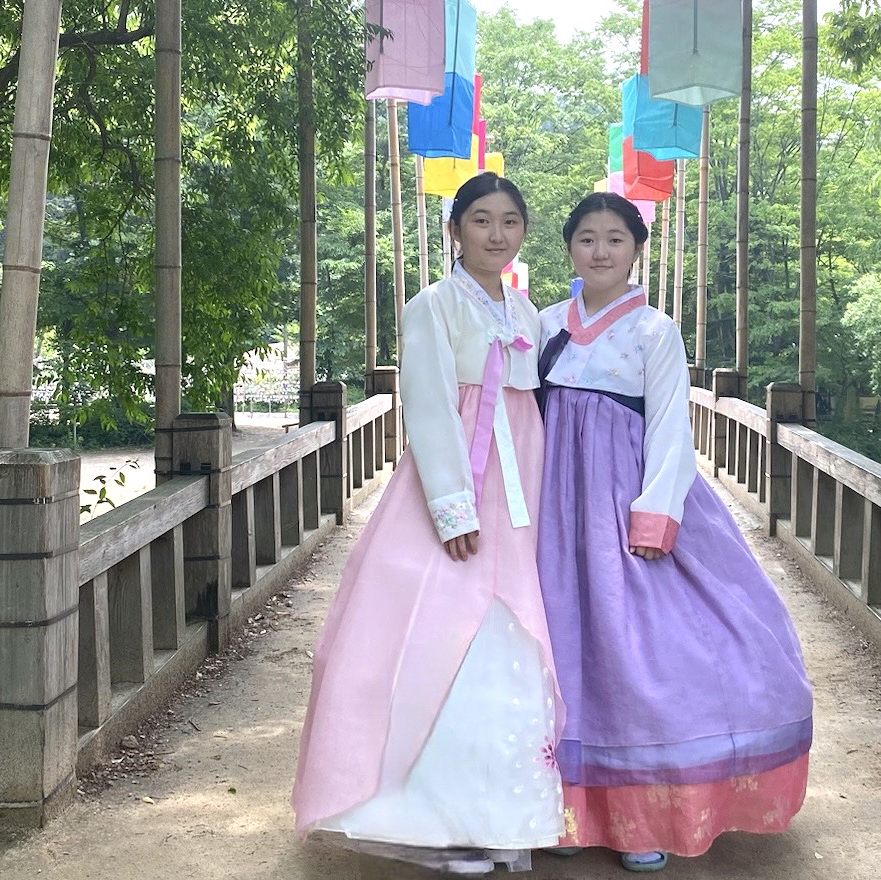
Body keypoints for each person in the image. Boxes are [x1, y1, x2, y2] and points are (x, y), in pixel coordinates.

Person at [292, 172, 565, 875]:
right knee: (445, 629)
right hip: (463, 480)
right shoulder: (433, 306)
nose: (495, 234)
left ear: (522, 233)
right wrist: (451, 506)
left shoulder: (527, 312)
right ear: (455, 231)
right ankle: (438, 819)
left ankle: (502, 815)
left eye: (509, 221)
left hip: (521, 482)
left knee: (511, 633)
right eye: (480, 220)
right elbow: (430, 406)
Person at [536, 192, 813, 873]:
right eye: (586, 239)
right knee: (551, 647)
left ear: (635, 250)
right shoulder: (541, 322)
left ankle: (644, 815)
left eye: (614, 240)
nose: (599, 251)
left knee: (636, 654)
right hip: (549, 505)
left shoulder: (654, 330)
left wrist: (654, 514)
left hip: (622, 499)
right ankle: (546, 808)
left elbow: (668, 429)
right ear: (568, 248)